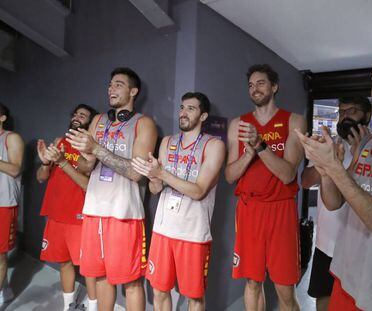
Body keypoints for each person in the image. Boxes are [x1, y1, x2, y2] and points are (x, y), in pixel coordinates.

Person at [296, 51, 372, 310]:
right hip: (345, 276)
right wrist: (327, 168)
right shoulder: (368, 144)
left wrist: (333, 168)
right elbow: (335, 201)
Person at [66, 67, 157, 311]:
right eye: (110, 85)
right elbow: (88, 166)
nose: (111, 88)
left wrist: (96, 148)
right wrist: (65, 158)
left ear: (133, 91)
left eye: (118, 84)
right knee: (101, 275)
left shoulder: (144, 124)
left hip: (124, 213)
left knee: (131, 282)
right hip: (94, 209)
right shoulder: (98, 120)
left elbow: (136, 172)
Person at [132, 92, 225, 311]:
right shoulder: (167, 142)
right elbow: (156, 190)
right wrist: (152, 176)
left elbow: (199, 191)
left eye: (191, 109)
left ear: (203, 116)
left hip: (192, 235)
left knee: (194, 297)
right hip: (163, 231)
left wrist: (162, 174)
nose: (183, 113)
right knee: (159, 290)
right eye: (182, 107)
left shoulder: (213, 146)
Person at [225, 64, 306, 311]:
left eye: (261, 83)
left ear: (274, 86)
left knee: (284, 286)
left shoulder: (294, 121)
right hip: (250, 210)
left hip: (281, 209)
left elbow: (288, 173)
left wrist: (260, 147)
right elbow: (229, 175)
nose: (255, 89)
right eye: (251, 85)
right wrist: (247, 156)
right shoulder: (238, 124)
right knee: (252, 282)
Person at [302, 97, 371, 311]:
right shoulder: (329, 145)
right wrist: (326, 163)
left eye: (353, 110)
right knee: (323, 300)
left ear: (367, 116)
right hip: (326, 243)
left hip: (359, 247)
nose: (346, 115)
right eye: (341, 112)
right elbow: (305, 181)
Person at [37, 104, 98, 311]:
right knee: (64, 262)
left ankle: (91, 307)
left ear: (89, 123)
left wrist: (62, 161)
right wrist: (45, 163)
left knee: (88, 268)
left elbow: (86, 184)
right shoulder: (58, 142)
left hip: (78, 216)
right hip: (55, 214)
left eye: (83, 115)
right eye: (75, 113)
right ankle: (68, 306)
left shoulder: (89, 148)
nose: (77, 117)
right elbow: (41, 178)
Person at [0, 103, 24, 306]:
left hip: (3, 204)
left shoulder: (11, 137)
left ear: (2, 118)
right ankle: (5, 289)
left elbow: (15, 169)